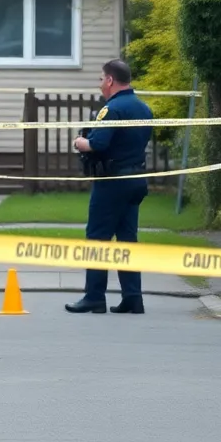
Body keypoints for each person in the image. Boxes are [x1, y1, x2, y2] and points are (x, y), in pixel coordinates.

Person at [66, 59, 153, 315]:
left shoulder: (111, 109)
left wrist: (81, 141)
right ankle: (133, 298)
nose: (100, 84)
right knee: (127, 240)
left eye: (101, 79)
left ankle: (94, 297)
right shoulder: (143, 108)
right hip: (135, 180)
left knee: (97, 238)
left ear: (110, 80)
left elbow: (98, 144)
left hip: (112, 182)